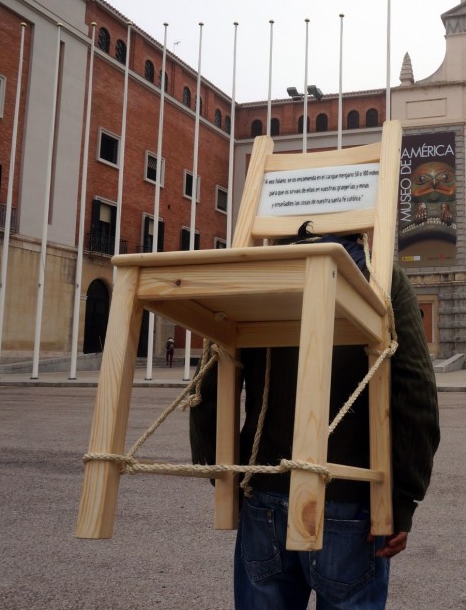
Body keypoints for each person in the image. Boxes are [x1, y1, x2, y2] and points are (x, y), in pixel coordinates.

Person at [189, 232, 440, 609]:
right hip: (351, 500)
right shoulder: (379, 276)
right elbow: (415, 393)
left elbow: (208, 385)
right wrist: (402, 501)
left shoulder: (258, 273)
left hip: (265, 494)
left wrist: (222, 474)